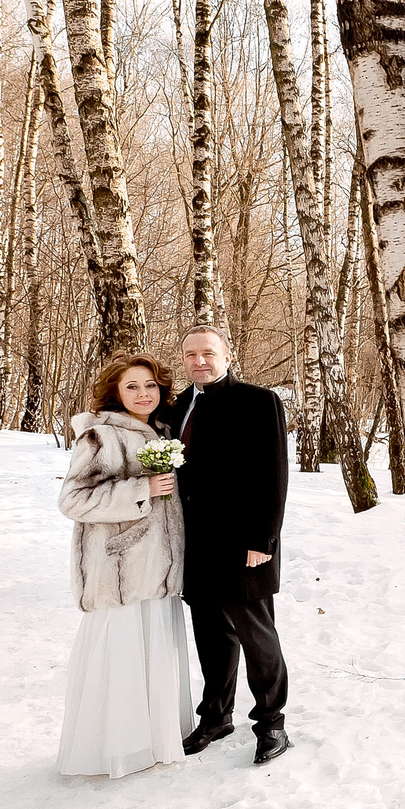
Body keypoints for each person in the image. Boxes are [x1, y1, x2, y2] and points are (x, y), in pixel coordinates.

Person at [155, 325, 292, 766]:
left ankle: (272, 723)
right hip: (195, 546)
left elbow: (274, 476)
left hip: (243, 544)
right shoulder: (177, 407)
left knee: (256, 637)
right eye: (191, 354)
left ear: (226, 354)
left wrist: (262, 539)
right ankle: (216, 716)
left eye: (208, 353)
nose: (199, 361)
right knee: (211, 636)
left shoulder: (258, 401)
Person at [55, 355, 194, 779]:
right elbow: (72, 500)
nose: (143, 394)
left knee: (153, 652)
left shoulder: (162, 432)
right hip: (121, 567)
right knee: (121, 655)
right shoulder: (102, 436)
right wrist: (142, 488)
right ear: (115, 392)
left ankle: (153, 738)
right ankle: (113, 749)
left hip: (158, 568)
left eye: (150, 385)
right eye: (132, 387)